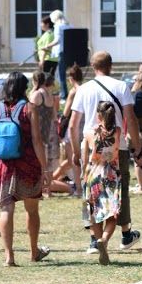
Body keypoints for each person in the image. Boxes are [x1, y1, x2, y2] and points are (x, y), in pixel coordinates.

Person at [68, 51, 142, 254]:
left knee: (90, 192)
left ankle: (94, 238)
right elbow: (130, 118)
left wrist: (75, 151)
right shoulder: (121, 86)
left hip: (91, 146)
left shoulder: (83, 89)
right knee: (119, 190)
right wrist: (137, 145)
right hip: (117, 146)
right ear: (111, 65)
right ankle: (125, 233)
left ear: (93, 66)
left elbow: (73, 125)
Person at [0, 72, 50, 266]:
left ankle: (9, 256)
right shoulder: (29, 109)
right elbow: (37, 140)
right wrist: (45, 167)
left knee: (6, 210)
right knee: (31, 210)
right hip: (28, 164)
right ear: (24, 88)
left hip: (4, 165)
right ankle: (34, 252)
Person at [82, 101, 122, 266]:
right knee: (112, 214)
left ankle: (99, 239)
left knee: (94, 214)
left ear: (98, 115)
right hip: (111, 175)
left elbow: (84, 159)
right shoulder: (118, 131)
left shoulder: (90, 133)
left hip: (93, 176)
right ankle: (104, 241)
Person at [29, 71, 67, 195]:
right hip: (50, 132)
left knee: (40, 162)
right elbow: (55, 117)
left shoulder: (36, 94)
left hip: (39, 133)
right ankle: (48, 190)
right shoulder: (49, 95)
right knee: (49, 164)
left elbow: (29, 113)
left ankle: (40, 189)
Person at [53, 64, 85, 196]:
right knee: (77, 158)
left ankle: (78, 188)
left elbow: (66, 113)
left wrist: (59, 128)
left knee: (73, 159)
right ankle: (54, 178)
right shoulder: (86, 89)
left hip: (72, 127)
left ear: (71, 78)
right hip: (84, 125)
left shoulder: (73, 92)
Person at [44, 10, 71, 99]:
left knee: (61, 74)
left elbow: (57, 40)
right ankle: (65, 92)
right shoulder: (69, 25)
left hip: (61, 52)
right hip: (69, 51)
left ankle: (64, 95)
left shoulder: (58, 26)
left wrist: (48, 46)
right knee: (66, 74)